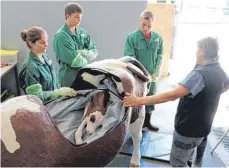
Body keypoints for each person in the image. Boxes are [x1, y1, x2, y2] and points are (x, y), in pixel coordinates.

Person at [123, 36, 229, 167]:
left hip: (188, 130)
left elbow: (170, 96)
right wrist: (206, 95)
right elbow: (225, 85)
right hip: (203, 129)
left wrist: (138, 100)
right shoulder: (219, 70)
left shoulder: (199, 74)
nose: (196, 52)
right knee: (189, 156)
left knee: (178, 162)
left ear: (202, 51)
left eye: (197, 49)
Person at [124, 9, 163, 131]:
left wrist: (156, 72)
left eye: (149, 26)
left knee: (151, 98)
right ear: (140, 20)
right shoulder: (132, 38)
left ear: (153, 23)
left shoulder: (158, 38)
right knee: (137, 100)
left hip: (153, 76)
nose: (146, 28)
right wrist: (141, 74)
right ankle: (136, 125)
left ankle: (147, 123)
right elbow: (130, 58)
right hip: (138, 77)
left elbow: (160, 55)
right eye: (143, 25)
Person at [19, 26, 77, 104]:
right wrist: (57, 93)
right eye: (42, 42)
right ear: (31, 43)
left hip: (54, 101)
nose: (46, 45)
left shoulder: (45, 57)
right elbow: (37, 97)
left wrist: (61, 91)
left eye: (47, 41)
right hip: (44, 107)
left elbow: (53, 83)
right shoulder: (30, 67)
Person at [53, 3, 98, 87]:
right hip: (69, 80)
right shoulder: (61, 36)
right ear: (68, 16)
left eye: (80, 17)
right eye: (76, 16)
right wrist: (87, 61)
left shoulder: (82, 33)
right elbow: (74, 60)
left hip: (84, 77)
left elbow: (94, 51)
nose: (79, 19)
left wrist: (81, 52)